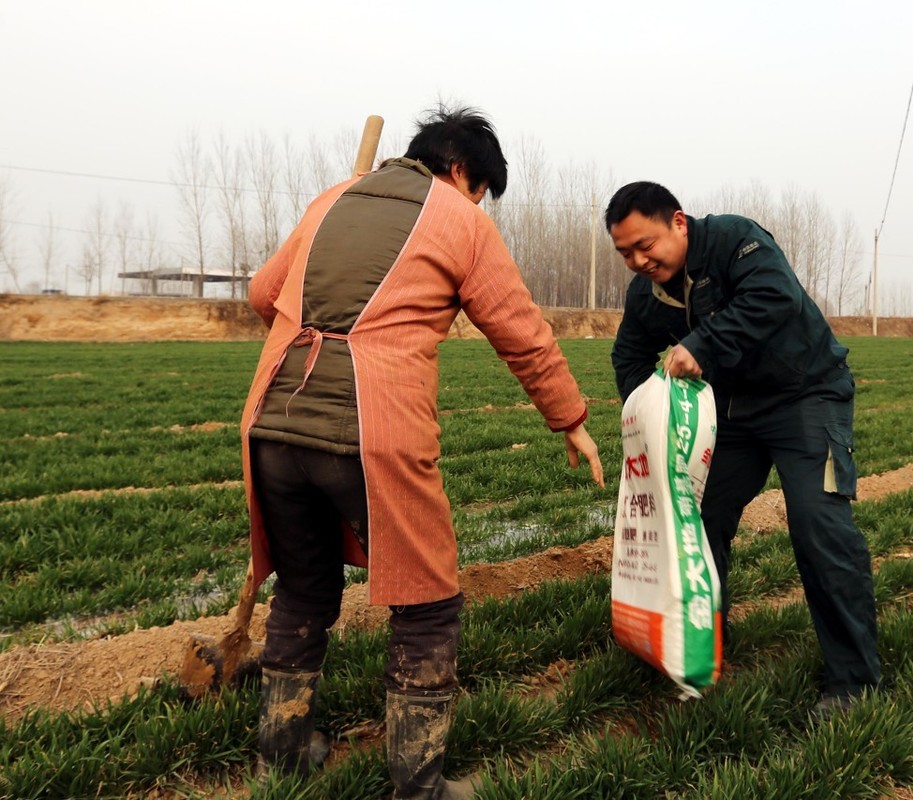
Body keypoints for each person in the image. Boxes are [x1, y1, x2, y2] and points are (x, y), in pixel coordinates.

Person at [240, 105, 604, 798]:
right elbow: (520, 330)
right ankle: (419, 785)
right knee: (427, 601)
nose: (479, 204)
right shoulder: (459, 219)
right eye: (481, 191)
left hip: (271, 423)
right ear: (462, 171)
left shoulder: (333, 199)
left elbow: (264, 293)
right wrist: (570, 418)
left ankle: (280, 759)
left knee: (303, 589)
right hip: (372, 430)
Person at [606, 181, 880, 720]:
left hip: (806, 393)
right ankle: (701, 643)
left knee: (817, 522)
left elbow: (775, 297)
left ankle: (854, 681)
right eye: (625, 253)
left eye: (645, 245)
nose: (638, 261)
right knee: (699, 516)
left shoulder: (735, 240)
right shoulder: (646, 294)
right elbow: (629, 356)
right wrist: (649, 417)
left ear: (678, 223)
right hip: (731, 411)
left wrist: (700, 345)